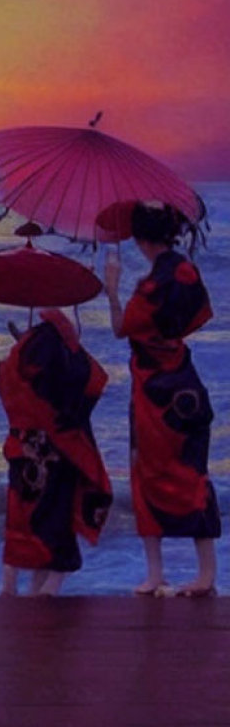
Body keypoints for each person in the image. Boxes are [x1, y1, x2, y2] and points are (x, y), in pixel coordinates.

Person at [103, 202, 219, 597]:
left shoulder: (150, 287)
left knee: (146, 474)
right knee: (193, 473)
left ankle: (156, 573)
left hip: (154, 394)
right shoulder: (187, 273)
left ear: (140, 239)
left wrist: (112, 288)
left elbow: (121, 328)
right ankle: (206, 574)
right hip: (185, 383)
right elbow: (199, 316)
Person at [0, 309, 112, 596]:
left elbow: (8, 387)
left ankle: (12, 585)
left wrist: (21, 344)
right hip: (59, 447)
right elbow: (91, 383)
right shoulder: (73, 360)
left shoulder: (20, 361)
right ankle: (46, 582)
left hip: (24, 448)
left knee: (22, 515)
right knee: (55, 514)